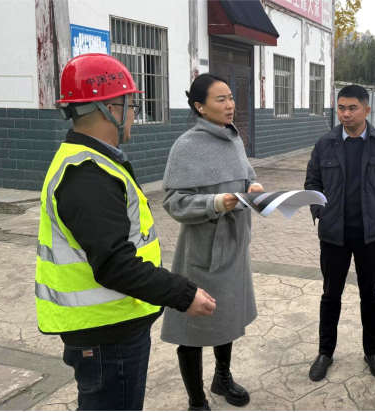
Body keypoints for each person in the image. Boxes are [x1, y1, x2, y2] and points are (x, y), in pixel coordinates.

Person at [35, 54, 216, 411]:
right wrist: (183, 293)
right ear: (109, 109)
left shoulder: (93, 162)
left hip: (112, 324)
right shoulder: (87, 174)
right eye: (131, 105)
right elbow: (114, 264)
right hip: (106, 335)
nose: (134, 114)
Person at [160, 73, 263, 411]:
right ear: (200, 107)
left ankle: (222, 377)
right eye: (221, 99)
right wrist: (216, 203)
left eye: (231, 97)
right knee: (192, 327)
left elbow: (247, 178)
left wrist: (253, 189)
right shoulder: (186, 146)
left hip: (234, 246)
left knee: (226, 316)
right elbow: (174, 203)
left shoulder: (234, 138)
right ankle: (196, 400)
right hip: (201, 252)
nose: (230, 104)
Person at [304, 85, 375, 381]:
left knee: (370, 295)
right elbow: (312, 182)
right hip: (333, 234)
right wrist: (319, 210)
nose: (346, 114)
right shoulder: (325, 144)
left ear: (366, 110)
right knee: (330, 296)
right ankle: (325, 353)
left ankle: (372, 352)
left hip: (370, 235)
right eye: (341, 108)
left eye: (352, 108)